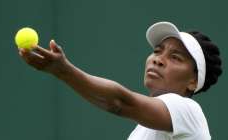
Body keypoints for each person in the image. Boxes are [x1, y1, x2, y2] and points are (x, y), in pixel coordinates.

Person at [18, 21, 222, 140]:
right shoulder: (144, 130)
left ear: (193, 82)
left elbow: (119, 103)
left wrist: (64, 71)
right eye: (157, 51)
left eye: (175, 57)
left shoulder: (187, 109)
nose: (158, 60)